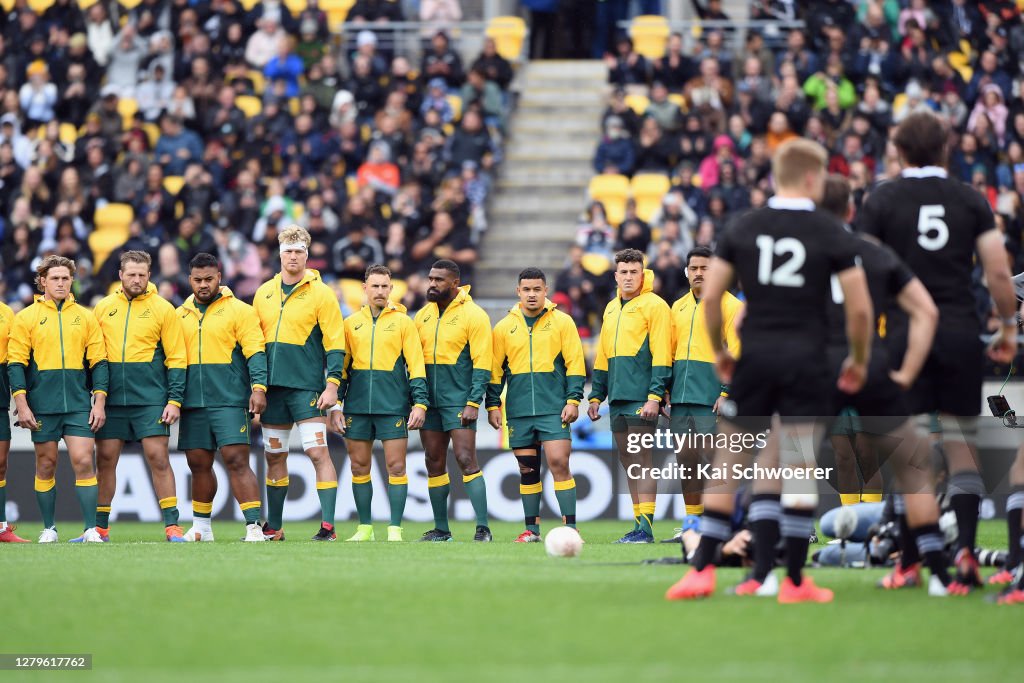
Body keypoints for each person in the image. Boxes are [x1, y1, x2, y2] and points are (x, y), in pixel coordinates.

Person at [666, 139, 872, 603]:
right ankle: (793, 580)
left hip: (755, 356)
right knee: (795, 463)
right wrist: (858, 360)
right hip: (808, 360)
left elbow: (715, 297)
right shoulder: (830, 230)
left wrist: (720, 349)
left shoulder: (745, 225)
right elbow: (859, 310)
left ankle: (702, 572)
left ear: (776, 176)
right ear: (814, 178)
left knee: (731, 457)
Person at [857, 111, 1019, 593]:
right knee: (959, 441)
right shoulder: (969, 198)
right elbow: (996, 270)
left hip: (905, 333)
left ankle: (909, 561)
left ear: (900, 151)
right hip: (959, 330)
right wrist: (1008, 324)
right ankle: (966, 552)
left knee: (909, 449)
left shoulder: (882, 197)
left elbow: (863, 273)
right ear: (945, 149)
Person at [817, 174, 954, 595]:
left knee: (786, 455)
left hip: (819, 364)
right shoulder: (873, 254)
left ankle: (771, 572)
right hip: (871, 363)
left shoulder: (805, 252)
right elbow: (924, 311)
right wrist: (905, 371)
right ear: (852, 210)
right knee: (909, 459)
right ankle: (933, 571)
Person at [253, 226, 346, 542]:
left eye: (299, 251)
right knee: (274, 456)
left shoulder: (322, 293)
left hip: (306, 388)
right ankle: (275, 528)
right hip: (272, 392)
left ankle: (328, 526)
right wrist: (256, 387)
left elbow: (336, 343)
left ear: (307, 254)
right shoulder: (264, 292)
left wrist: (332, 386)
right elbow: (253, 344)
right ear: (280, 254)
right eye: (289, 251)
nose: (293, 256)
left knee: (318, 452)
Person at [8, 255, 109, 543]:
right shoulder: (26, 317)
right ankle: (49, 528)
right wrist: (23, 404)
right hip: (43, 405)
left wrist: (98, 403)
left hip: (78, 404)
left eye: (66, 278)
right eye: (55, 278)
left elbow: (99, 362)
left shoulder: (86, 316)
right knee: (47, 464)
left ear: (72, 280)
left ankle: (91, 529)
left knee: (83, 461)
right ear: (42, 282)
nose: (61, 283)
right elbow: (16, 364)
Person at [93, 251, 187, 543]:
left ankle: (172, 527)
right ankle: (100, 529)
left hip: (150, 398)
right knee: (106, 460)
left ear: (149, 275)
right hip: (112, 400)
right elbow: (95, 356)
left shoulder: (163, 308)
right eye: (131, 274)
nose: (137, 279)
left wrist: (174, 400)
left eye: (142, 275)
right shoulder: (103, 307)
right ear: (120, 275)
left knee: (158, 457)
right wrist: (97, 398)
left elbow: (177, 358)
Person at [486, 267, 586, 542]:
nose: (532, 294)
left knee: (558, 462)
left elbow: (575, 363)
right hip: (519, 411)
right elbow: (495, 371)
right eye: (527, 289)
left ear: (546, 291)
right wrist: (492, 404)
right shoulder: (504, 327)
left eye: (537, 289)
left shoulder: (563, 322)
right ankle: (532, 530)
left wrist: (573, 399)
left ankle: (571, 528)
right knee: (527, 470)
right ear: (518, 292)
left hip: (554, 407)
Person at [331, 264, 428, 542]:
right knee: (359, 467)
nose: (380, 291)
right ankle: (365, 528)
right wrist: (336, 405)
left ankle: (395, 529)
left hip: (392, 406)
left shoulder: (404, 322)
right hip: (357, 407)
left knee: (396, 467)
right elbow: (341, 369)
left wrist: (419, 403)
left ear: (391, 289)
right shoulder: (350, 324)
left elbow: (416, 366)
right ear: (364, 288)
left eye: (385, 286)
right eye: (375, 286)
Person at [177, 253, 268, 543]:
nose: (203, 285)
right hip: (192, 401)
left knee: (236, 459)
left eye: (209, 279)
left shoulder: (240, 310)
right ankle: (202, 527)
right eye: (197, 280)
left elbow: (255, 351)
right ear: (190, 280)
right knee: (198, 463)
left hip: (228, 398)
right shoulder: (179, 314)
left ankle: (254, 527)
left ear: (220, 277)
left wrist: (258, 388)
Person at [586, 248, 672, 543]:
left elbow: (662, 353)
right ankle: (638, 525)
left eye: (634, 271)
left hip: (642, 397)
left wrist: (654, 396)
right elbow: (603, 355)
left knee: (642, 458)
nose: (628, 277)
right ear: (615, 275)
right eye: (623, 272)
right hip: (618, 397)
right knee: (628, 459)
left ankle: (646, 529)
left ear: (643, 273)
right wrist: (597, 395)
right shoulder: (611, 308)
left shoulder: (656, 306)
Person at [662, 246, 743, 544]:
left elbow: (737, 350)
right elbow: (668, 352)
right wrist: (666, 391)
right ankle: (693, 522)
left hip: (712, 397)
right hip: (681, 400)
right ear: (687, 272)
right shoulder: (677, 307)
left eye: (705, 268)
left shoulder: (730, 305)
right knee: (687, 461)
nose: (699, 273)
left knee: (717, 461)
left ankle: (721, 522)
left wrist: (726, 391)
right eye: (694, 268)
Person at [413, 259, 492, 542]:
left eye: (439, 280)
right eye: (430, 278)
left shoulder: (475, 315)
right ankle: (441, 529)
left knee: (465, 458)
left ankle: (483, 528)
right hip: (429, 403)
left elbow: (484, 362)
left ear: (455, 283)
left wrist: (474, 402)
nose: (432, 284)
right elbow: (413, 361)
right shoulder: (422, 316)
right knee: (433, 460)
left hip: (458, 400)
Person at [0, 296, 28, 542]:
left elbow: (16, 357)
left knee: (0, 462)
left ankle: (1, 528)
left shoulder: (7, 313)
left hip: (0, 397)